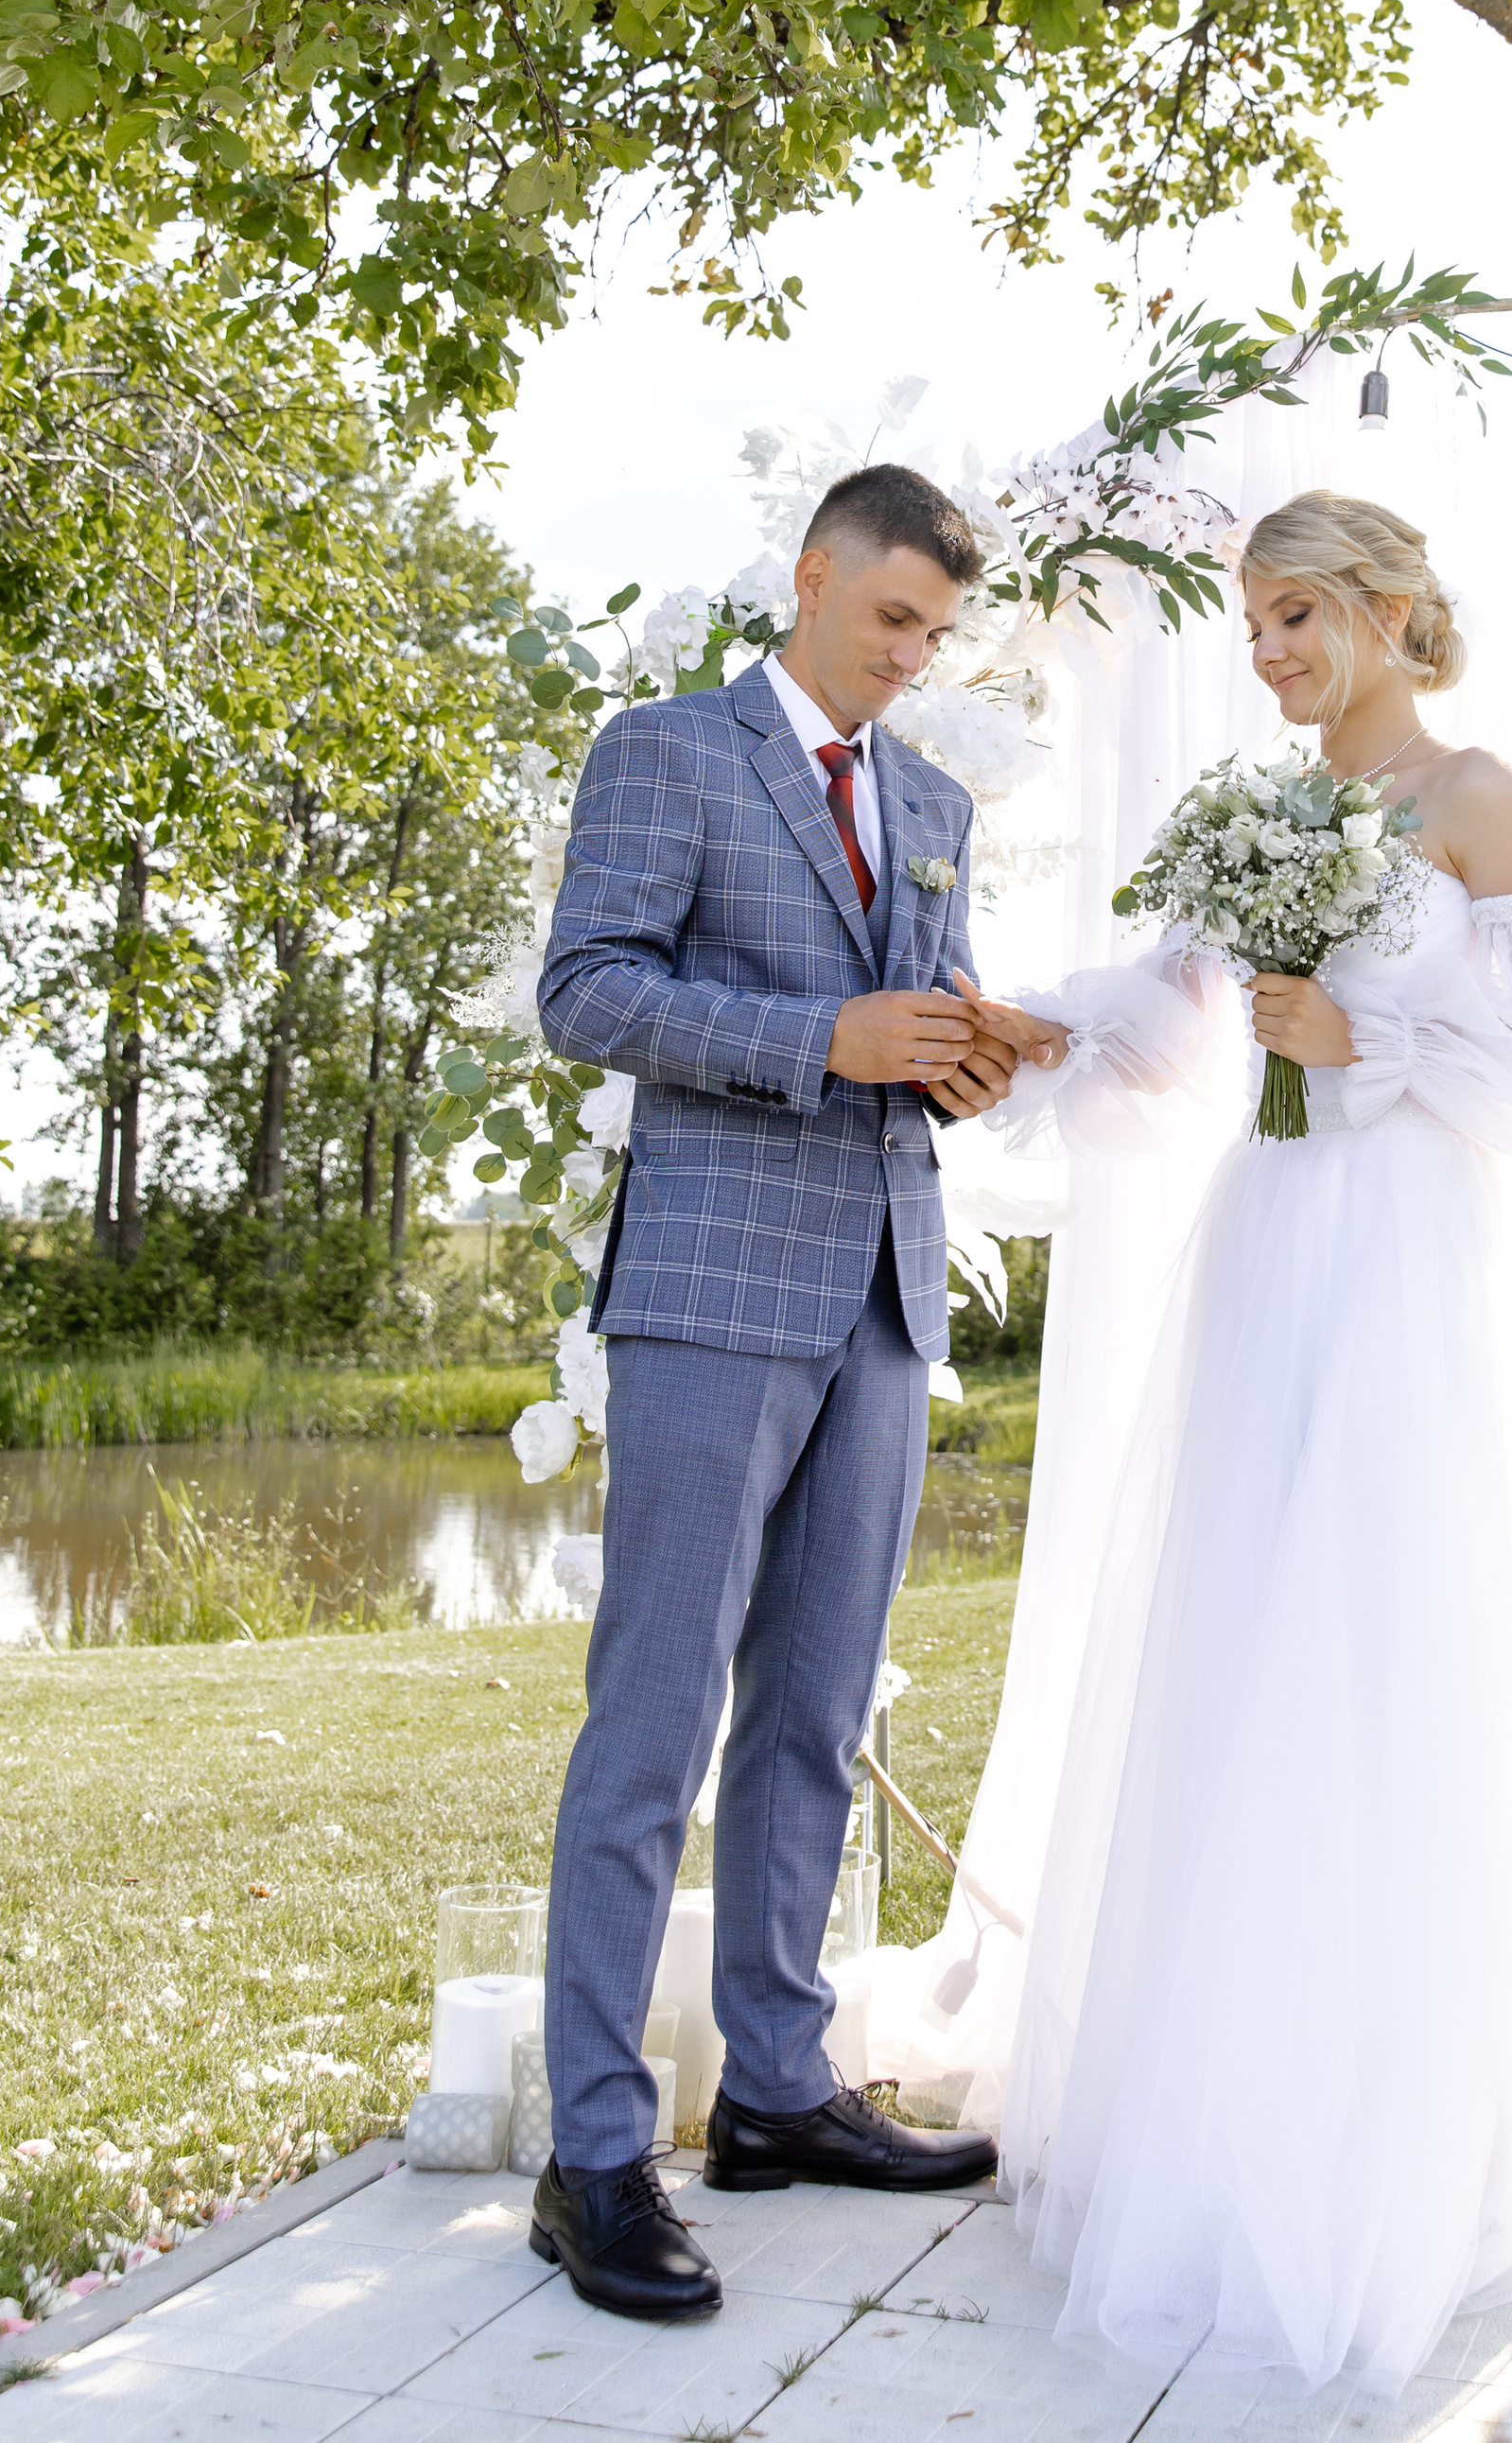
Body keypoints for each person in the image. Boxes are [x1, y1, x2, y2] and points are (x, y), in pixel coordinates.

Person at [970, 487, 1512, 2392]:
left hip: (1409, 1265)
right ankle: (1238, 2109)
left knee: (1398, 1640)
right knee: (1250, 1649)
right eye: (1250, 619)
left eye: (1296, 612)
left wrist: (1364, 1051)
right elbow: (1170, 1021)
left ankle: (1414, 2134)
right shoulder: (1269, 820)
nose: (1270, 648)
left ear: (1390, 610)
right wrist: (1023, 1025)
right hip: (1274, 1251)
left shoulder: (1476, 801)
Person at [528, 463, 1016, 2323]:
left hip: (884, 1291)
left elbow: (920, 1016)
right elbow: (587, 989)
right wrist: (821, 1037)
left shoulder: (939, 802)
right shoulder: (665, 750)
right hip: (711, 1290)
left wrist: (970, 1048)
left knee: (811, 1715)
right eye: (890, 617)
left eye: (933, 633)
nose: (909, 657)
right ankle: (591, 2155)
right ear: (809, 577)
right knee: (651, 1722)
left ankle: (779, 2091)